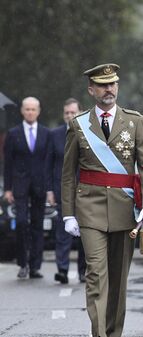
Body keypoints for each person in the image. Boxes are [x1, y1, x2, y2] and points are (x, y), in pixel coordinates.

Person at [61, 63, 143, 337]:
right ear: (92, 90)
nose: (109, 89)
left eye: (112, 84)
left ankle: (114, 332)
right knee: (95, 275)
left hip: (126, 210)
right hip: (89, 209)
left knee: (118, 280)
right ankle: (99, 333)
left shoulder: (135, 121)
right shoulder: (78, 124)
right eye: (102, 85)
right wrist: (68, 213)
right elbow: (68, 174)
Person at [3, 96, 52, 279]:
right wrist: (7, 189)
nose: (30, 112)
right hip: (20, 185)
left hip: (40, 185)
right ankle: (22, 263)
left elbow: (48, 162)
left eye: (33, 109)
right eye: (27, 109)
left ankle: (35, 266)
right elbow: (7, 164)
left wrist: (50, 188)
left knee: (38, 225)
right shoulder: (13, 133)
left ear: (38, 111)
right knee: (22, 223)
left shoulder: (46, 134)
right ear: (22, 111)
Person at [50, 98, 86, 284]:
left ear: (81, 113)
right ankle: (62, 270)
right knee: (62, 233)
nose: (70, 116)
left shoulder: (89, 133)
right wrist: (49, 190)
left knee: (84, 234)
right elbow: (48, 164)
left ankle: (83, 271)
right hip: (61, 189)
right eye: (67, 113)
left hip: (85, 190)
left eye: (73, 113)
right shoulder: (55, 135)